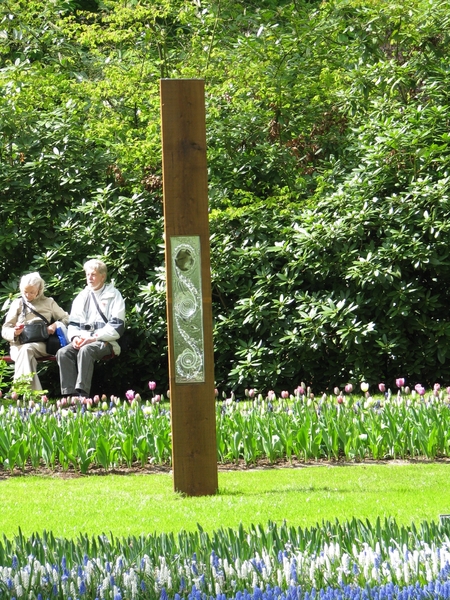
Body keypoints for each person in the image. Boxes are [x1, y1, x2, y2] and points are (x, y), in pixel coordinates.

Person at [57, 259, 125, 398]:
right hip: (83, 339)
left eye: (93, 274)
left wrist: (94, 337)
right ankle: (70, 396)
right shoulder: (81, 296)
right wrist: (75, 338)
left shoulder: (114, 295)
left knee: (86, 350)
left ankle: (83, 396)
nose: (89, 278)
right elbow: (73, 324)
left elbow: (117, 326)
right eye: (87, 274)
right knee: (63, 353)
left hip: (105, 341)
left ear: (103, 276)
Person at [1, 272, 69, 390]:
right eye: (25, 291)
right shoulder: (17, 303)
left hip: (42, 344)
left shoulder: (49, 302)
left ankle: (19, 392)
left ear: (39, 289)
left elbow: (67, 318)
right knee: (26, 354)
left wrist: (55, 325)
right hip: (19, 345)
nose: (28, 295)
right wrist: (15, 332)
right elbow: (5, 329)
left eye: (31, 292)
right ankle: (34, 397)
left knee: (27, 351)